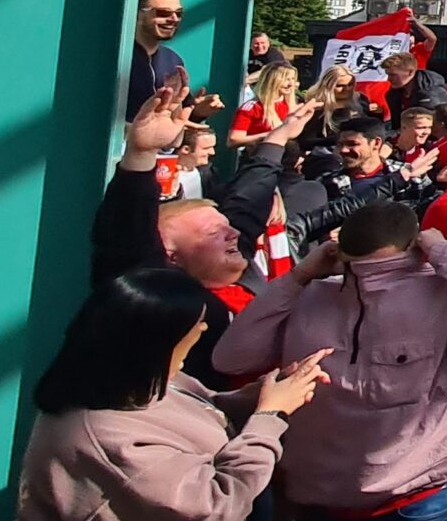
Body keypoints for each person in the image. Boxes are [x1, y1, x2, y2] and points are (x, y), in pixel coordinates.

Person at [211, 201, 447, 521]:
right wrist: (299, 277)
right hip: (337, 505)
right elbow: (232, 358)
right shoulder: (312, 295)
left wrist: (442, 251)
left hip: (418, 499)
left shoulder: (446, 291)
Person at [13, 267, 330, 521]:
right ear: (154, 343)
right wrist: (269, 417)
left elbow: (204, 409)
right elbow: (210, 508)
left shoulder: (126, 384)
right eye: (195, 328)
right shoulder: (102, 440)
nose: (203, 331)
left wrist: (260, 396)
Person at [92, 83, 318, 387]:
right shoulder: (160, 303)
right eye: (214, 232)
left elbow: (247, 203)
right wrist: (141, 154)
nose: (233, 233)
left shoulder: (238, 274)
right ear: (169, 255)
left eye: (227, 226)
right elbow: (125, 239)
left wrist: (277, 138)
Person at [127, 0, 191, 118]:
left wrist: (199, 111)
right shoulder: (117, 56)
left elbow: (176, 112)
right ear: (138, 14)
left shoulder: (173, 60)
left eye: (178, 14)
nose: (174, 19)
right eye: (163, 13)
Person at [379, 51, 447, 119]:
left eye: (393, 75)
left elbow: (430, 125)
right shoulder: (394, 94)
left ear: (410, 72)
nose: (389, 79)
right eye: (388, 74)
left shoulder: (432, 93)